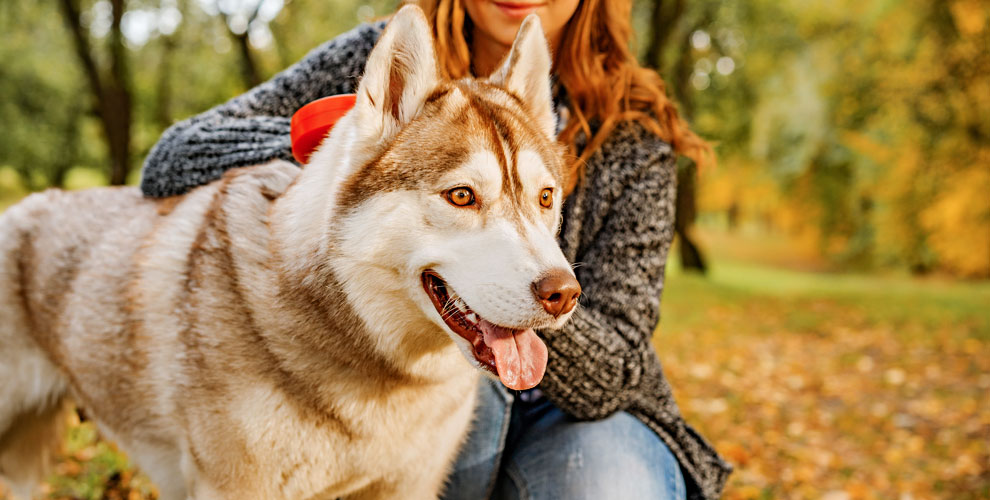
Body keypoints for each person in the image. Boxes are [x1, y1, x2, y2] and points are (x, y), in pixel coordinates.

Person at [140, 0, 732, 498]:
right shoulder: (388, 58)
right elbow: (174, 156)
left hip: (581, 414)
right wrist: (360, 144)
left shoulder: (636, 133)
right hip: (412, 373)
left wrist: (517, 293)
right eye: (463, 195)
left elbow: (617, 371)